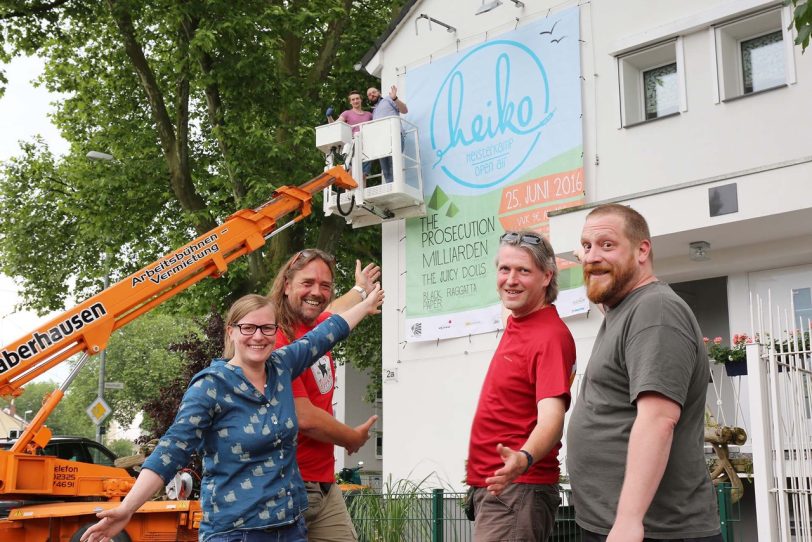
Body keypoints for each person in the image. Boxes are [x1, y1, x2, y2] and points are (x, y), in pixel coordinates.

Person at [80, 288, 384, 542]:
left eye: (267, 328)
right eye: (248, 328)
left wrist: (365, 303)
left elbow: (326, 334)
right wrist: (128, 507)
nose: (258, 337)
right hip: (235, 531)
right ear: (232, 331)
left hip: (290, 527)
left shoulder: (281, 366)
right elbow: (172, 449)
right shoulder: (212, 385)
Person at [567, 204, 722, 542]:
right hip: (610, 524)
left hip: (653, 531)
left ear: (642, 250)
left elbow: (658, 420)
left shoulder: (655, 309)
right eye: (587, 246)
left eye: (607, 245)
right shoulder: (624, 311)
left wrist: (628, 520)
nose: (592, 256)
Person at [466, 230, 576, 542]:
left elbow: (552, 420)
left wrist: (524, 458)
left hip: (518, 491)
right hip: (499, 490)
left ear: (547, 277)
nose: (511, 280)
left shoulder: (550, 337)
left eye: (523, 271)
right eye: (504, 269)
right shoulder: (519, 321)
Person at [269, 249, 380, 542]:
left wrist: (359, 290)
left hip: (325, 484)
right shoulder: (274, 337)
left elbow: (336, 311)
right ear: (286, 285)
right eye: (307, 283)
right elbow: (303, 417)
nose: (317, 293)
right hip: (287, 483)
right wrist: (351, 438)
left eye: (325, 286)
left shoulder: (315, 326)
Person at [326, 90, 373, 177]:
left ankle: (362, 190)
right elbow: (334, 126)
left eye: (357, 99)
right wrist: (329, 116)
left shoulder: (369, 115)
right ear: (350, 102)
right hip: (352, 145)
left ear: (361, 100)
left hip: (366, 145)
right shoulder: (347, 113)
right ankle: (350, 190)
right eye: (353, 99)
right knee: (351, 171)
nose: (355, 101)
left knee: (364, 174)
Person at [367, 85, 408, 184]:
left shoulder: (388, 99)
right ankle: (392, 189)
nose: (372, 95)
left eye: (373, 92)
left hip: (394, 136)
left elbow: (404, 110)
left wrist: (395, 98)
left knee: (394, 165)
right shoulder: (374, 111)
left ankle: (397, 187)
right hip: (381, 141)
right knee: (386, 171)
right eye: (369, 94)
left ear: (379, 93)